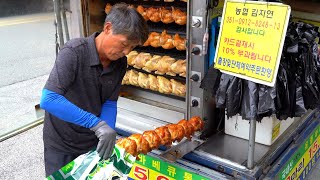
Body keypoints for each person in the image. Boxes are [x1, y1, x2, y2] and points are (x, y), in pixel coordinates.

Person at [40, 3, 149, 176]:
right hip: (63, 144)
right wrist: (97, 124)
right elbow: (49, 99)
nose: (126, 51)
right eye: (124, 43)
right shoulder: (74, 52)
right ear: (108, 28)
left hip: (92, 142)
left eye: (132, 47)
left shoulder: (120, 63)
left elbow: (109, 102)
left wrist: (108, 132)